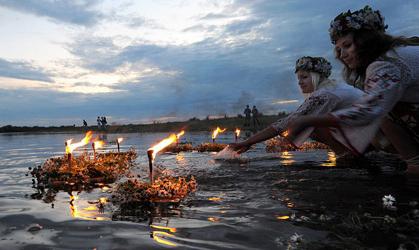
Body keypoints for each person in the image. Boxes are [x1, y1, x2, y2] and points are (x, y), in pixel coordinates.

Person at [284, 6, 419, 171]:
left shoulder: (386, 65)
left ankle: (413, 163)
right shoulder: (392, 56)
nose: (342, 55)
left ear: (367, 41)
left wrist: (307, 120)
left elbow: (368, 111)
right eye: (339, 49)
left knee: (382, 111)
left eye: (347, 45)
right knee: (384, 109)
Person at [230, 56, 364, 155]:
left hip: (368, 132)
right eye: (298, 78)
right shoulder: (335, 88)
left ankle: (347, 156)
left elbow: (287, 122)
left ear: (316, 77)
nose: (299, 82)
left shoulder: (325, 94)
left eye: (304, 77)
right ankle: (348, 153)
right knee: (312, 123)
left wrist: (247, 142)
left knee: (312, 125)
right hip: (364, 129)